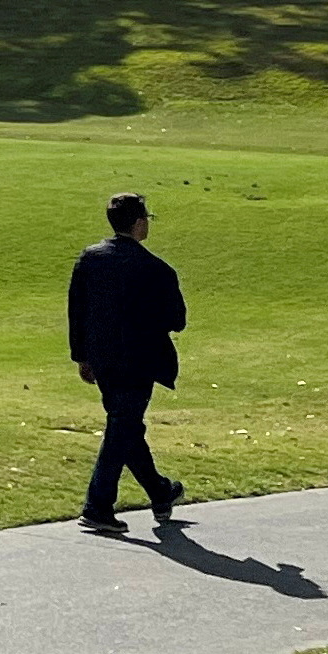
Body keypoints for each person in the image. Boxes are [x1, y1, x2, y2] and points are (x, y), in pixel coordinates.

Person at [68, 191, 188, 533]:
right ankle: (97, 506)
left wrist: (81, 356)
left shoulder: (90, 259)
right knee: (122, 426)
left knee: (126, 427)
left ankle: (160, 491)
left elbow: (77, 311)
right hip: (140, 361)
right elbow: (176, 320)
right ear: (139, 223)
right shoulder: (156, 269)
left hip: (103, 359)